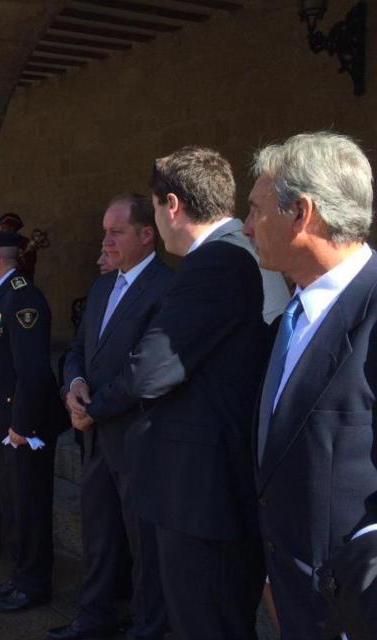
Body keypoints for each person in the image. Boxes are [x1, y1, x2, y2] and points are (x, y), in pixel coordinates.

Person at [82, 147, 289, 640]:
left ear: (170, 206)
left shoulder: (215, 261)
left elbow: (154, 367)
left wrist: (95, 407)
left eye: (154, 208)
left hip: (203, 493)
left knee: (206, 619)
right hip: (209, 485)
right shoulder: (235, 256)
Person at [243, 131, 377, 640]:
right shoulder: (291, 317)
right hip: (292, 599)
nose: (248, 227)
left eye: (256, 211)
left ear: (301, 213)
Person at [53, 194, 172, 640]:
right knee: (99, 532)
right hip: (96, 435)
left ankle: (146, 625)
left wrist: (93, 409)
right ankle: (94, 615)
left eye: (116, 232)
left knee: (144, 542)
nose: (106, 240)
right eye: (105, 230)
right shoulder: (103, 285)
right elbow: (78, 350)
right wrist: (73, 388)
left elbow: (147, 368)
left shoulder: (166, 288)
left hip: (139, 440)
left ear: (147, 234)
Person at [0, 229, 66, 613]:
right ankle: (20, 574)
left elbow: (33, 372)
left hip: (24, 429)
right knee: (14, 506)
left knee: (30, 507)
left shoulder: (23, 299)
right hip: (3, 425)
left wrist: (21, 426)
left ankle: (35, 583)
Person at [0, 213, 37, 280]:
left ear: (12, 228)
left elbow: (27, 266)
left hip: (20, 281)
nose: (1, 230)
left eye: (4, 227)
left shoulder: (24, 243)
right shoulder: (2, 242)